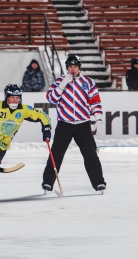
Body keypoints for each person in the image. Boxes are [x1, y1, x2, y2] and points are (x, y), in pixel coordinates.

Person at [42, 55, 106, 194]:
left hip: (83, 124)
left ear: (79, 67)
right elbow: (51, 98)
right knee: (56, 154)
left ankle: (99, 182)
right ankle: (48, 182)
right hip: (65, 124)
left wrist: (98, 119)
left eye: (75, 66)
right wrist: (62, 84)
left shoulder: (87, 82)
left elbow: (95, 102)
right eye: (70, 66)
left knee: (90, 154)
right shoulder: (59, 81)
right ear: (66, 68)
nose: (72, 69)